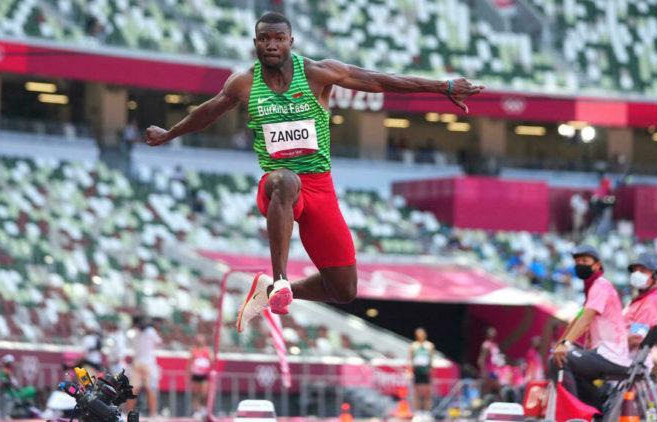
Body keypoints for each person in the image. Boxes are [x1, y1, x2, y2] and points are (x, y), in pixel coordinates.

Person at [144, 12, 484, 332]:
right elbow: (208, 112)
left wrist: (443, 87)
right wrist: (169, 134)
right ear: (255, 43)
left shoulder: (318, 74)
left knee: (344, 289)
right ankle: (280, 279)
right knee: (286, 179)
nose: (272, 45)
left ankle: (270, 291)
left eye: (279, 38)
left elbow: (381, 81)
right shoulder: (243, 84)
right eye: (264, 39)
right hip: (277, 186)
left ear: (291, 41)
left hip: (319, 187)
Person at [548, 245, 630, 410]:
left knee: (559, 360)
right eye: (577, 261)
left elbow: (586, 319)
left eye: (584, 261)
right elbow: (577, 318)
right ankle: (598, 406)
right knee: (560, 356)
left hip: (611, 355)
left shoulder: (601, 286)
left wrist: (565, 345)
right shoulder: (593, 288)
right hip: (604, 353)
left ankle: (573, 414)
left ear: (597, 265)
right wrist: (561, 343)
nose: (580, 264)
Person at [623, 253, 657, 366]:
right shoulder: (642, 299)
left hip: (627, 362)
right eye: (635, 270)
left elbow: (636, 338)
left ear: (656, 277)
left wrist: (609, 343)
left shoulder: (652, 301)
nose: (637, 274)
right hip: (623, 358)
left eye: (642, 271)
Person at [127, 317, 162, 417]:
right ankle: (153, 414)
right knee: (151, 389)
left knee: (133, 390)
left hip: (137, 362)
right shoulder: (151, 331)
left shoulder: (133, 332)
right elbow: (159, 342)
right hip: (148, 363)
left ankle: (128, 413)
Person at [409, 328, 435, 414]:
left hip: (426, 371)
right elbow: (410, 360)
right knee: (417, 393)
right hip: (417, 371)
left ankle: (427, 412)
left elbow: (431, 359)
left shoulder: (429, 346)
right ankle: (418, 412)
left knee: (427, 392)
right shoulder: (413, 346)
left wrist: (431, 371)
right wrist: (410, 372)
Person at [189, 334, 212, 418]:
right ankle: (197, 410)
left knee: (204, 393)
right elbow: (189, 363)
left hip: (204, 374)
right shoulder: (193, 350)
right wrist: (188, 375)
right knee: (195, 393)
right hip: (196, 374)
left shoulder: (207, 350)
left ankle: (203, 409)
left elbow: (211, 361)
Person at [478, 327, 503, 396]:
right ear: (487, 334)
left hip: (495, 371)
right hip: (489, 371)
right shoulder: (486, 345)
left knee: (496, 389)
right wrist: (484, 372)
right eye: (491, 332)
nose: (494, 333)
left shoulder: (495, 345)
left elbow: (495, 358)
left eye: (494, 332)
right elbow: (481, 359)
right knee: (487, 390)